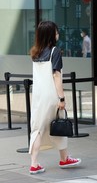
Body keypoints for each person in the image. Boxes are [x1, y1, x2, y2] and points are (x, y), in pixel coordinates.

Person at [29, 21, 81, 174]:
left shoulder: (35, 52)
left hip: (38, 96)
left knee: (37, 129)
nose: (58, 34)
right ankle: (64, 159)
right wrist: (62, 98)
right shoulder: (55, 51)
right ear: (52, 34)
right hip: (52, 95)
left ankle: (34, 163)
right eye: (56, 32)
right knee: (59, 123)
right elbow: (56, 76)